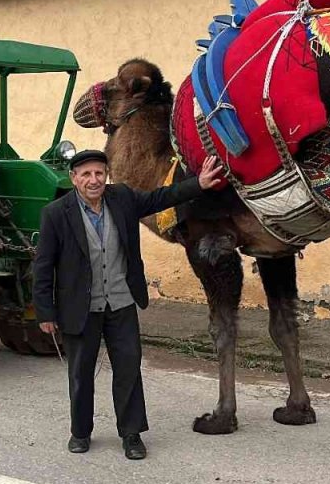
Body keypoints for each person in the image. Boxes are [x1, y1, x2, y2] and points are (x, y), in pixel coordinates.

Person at [33, 150, 225, 460]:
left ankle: (131, 434)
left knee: (128, 369)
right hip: (79, 308)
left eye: (98, 173)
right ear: (74, 179)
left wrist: (199, 184)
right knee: (81, 374)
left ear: (106, 175)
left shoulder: (122, 197)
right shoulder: (56, 213)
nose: (93, 180)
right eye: (86, 175)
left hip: (121, 303)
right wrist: (45, 312)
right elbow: (43, 266)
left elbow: (162, 197)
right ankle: (80, 432)